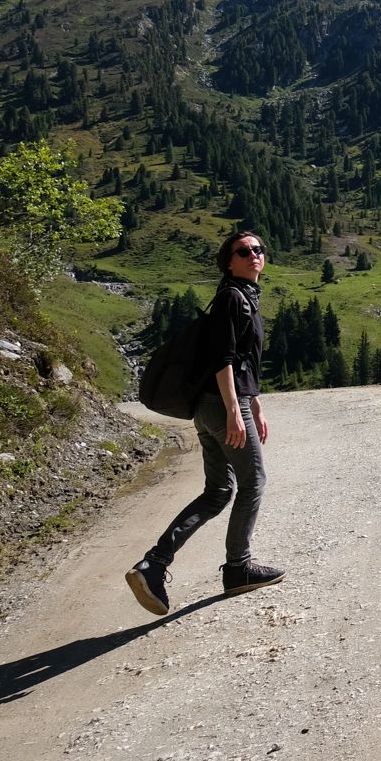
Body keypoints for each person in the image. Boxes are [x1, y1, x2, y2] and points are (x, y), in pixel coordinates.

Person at [125, 230, 286, 615]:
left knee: (218, 492)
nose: (254, 255)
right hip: (221, 406)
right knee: (254, 482)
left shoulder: (244, 296)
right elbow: (223, 359)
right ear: (228, 261)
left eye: (259, 249)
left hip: (213, 406)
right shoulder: (233, 297)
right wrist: (235, 410)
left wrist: (255, 403)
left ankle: (154, 564)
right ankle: (238, 568)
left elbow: (246, 360)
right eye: (243, 251)